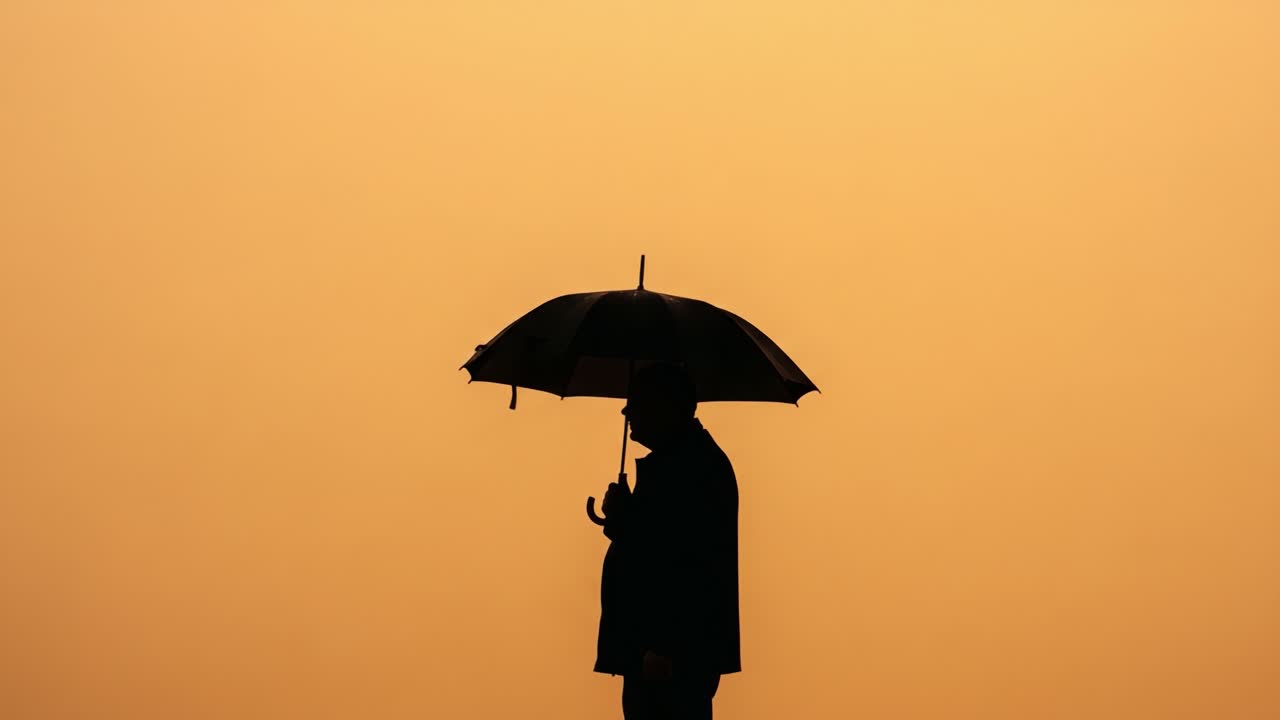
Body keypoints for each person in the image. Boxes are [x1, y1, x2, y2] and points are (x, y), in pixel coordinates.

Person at [593, 362, 741, 720]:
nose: (627, 412)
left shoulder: (691, 469)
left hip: (668, 654)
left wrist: (663, 647)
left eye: (638, 402)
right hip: (657, 651)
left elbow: (680, 561)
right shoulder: (684, 464)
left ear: (667, 407)